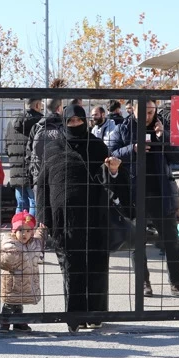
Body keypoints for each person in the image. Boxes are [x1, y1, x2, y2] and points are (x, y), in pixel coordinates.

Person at [37, 104, 126, 333]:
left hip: (95, 214)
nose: (75, 124)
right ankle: (74, 316)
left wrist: (114, 170)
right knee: (71, 266)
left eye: (79, 120)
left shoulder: (97, 147)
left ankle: (95, 314)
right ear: (64, 122)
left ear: (85, 121)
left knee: (96, 265)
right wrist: (43, 217)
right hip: (64, 218)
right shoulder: (53, 148)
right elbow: (42, 185)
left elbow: (109, 179)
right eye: (70, 121)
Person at [109, 100, 179, 298]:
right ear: (133, 110)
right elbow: (111, 154)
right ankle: (144, 283)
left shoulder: (163, 126)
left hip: (161, 192)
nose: (148, 116)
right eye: (144, 112)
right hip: (134, 194)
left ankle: (177, 282)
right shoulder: (123, 128)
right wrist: (133, 149)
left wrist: (162, 135)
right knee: (138, 242)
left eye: (151, 111)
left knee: (172, 240)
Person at [0, 211, 45, 334]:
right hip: (12, 282)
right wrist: (11, 255)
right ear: (14, 231)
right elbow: (1, 262)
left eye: (28, 231)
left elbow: (40, 241)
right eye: (21, 230)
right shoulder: (11, 244)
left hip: (27, 281)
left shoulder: (33, 243)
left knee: (19, 303)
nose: (25, 234)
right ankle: (5, 323)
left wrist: (42, 231)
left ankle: (19, 322)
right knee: (9, 303)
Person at [6, 98, 43, 214]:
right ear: (37, 104)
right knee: (34, 202)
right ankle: (31, 231)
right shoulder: (39, 121)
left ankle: (18, 230)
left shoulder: (10, 122)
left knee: (21, 203)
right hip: (32, 169)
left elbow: (6, 146)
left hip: (15, 170)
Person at [26, 97, 64, 190]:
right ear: (59, 108)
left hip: (39, 178)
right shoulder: (64, 126)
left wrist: (32, 178)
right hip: (60, 178)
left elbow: (29, 154)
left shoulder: (37, 127)